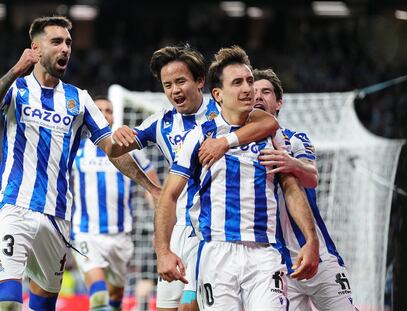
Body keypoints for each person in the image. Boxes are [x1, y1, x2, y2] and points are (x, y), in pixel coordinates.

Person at [0, 16, 158, 311]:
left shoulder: (79, 99)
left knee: (43, 303)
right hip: (14, 206)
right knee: (8, 302)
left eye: (69, 43)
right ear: (35, 48)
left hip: (58, 217)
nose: (65, 49)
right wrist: (13, 71)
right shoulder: (16, 90)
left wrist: (151, 185)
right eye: (57, 42)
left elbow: (113, 150)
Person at [111, 44, 278, 311]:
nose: (174, 90)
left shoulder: (225, 107)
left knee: (192, 306)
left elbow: (268, 122)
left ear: (200, 82)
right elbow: (114, 152)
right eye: (167, 85)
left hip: (213, 230)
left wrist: (225, 141)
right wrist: (150, 185)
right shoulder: (160, 123)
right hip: (179, 227)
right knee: (167, 307)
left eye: (180, 81)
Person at [154, 45, 319, 310]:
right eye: (238, 83)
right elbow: (169, 195)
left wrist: (311, 240)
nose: (248, 89)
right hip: (217, 253)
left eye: (250, 81)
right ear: (218, 94)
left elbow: (291, 188)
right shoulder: (198, 137)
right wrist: (163, 252)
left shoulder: (271, 134)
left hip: (264, 253)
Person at [253, 68, 357, 310]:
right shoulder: (240, 146)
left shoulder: (295, 139)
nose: (258, 96)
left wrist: (292, 164)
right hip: (277, 265)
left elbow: (312, 177)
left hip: (318, 257)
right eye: (254, 92)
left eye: (266, 92)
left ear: (278, 102)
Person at [71, 96, 161, 311]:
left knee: (115, 297)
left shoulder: (130, 151)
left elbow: (154, 190)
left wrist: (160, 229)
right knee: (99, 294)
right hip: (86, 233)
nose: (103, 114)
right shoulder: (76, 151)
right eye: (98, 109)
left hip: (121, 236)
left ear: (113, 116)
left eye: (108, 110)